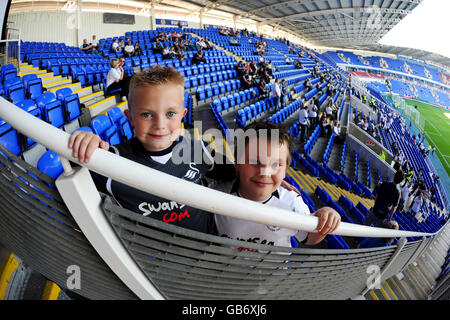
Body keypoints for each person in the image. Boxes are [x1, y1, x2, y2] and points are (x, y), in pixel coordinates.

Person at [68, 66, 237, 235]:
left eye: (170, 113)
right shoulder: (111, 162)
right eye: (146, 115)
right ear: (130, 118)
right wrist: (86, 143)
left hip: (207, 250)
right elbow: (68, 173)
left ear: (182, 115)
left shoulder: (199, 150)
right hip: (147, 258)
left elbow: (236, 175)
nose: (160, 125)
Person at [210, 121, 341, 249]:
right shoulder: (216, 193)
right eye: (255, 161)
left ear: (285, 170)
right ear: (238, 163)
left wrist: (326, 217)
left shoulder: (291, 201)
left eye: (276, 164)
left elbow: (308, 238)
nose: (265, 173)